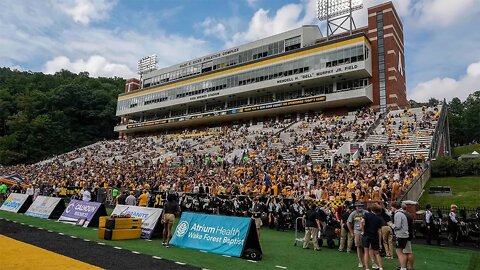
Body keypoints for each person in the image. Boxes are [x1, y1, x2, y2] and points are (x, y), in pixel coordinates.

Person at [361, 203, 383, 270]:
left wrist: (363, 230)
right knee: (377, 253)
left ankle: (367, 268)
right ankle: (381, 267)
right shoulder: (379, 218)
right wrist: (379, 243)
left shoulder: (366, 215)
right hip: (374, 236)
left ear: (371, 209)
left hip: (366, 235)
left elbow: (362, 222)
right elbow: (379, 231)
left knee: (366, 252)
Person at [388, 201, 409, 270]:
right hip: (404, 235)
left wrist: (391, 224)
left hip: (400, 235)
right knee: (401, 252)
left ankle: (403, 268)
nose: (391, 208)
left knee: (399, 252)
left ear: (394, 207)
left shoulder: (398, 214)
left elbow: (397, 226)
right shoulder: (402, 213)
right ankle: (403, 267)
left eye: (391, 207)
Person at [347, 201, 368, 268]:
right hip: (357, 232)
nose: (359, 207)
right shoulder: (353, 213)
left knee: (366, 248)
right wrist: (351, 232)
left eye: (361, 206)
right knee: (359, 247)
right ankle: (360, 262)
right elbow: (348, 223)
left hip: (366, 232)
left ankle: (367, 262)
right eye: (358, 206)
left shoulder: (366, 212)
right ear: (355, 207)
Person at [401, 203, 415, 270]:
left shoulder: (404, 215)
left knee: (408, 252)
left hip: (406, 235)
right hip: (408, 234)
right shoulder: (409, 214)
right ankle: (404, 266)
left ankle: (410, 267)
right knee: (405, 252)